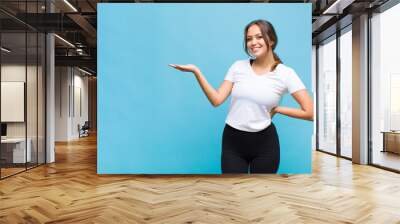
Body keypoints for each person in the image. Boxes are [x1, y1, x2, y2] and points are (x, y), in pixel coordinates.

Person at [169, 19, 313, 174]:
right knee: (235, 194)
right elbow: (216, 100)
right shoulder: (238, 66)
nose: (253, 42)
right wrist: (196, 71)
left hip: (265, 144)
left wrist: (278, 109)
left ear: (271, 40)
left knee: (260, 193)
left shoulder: (285, 73)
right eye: (249, 39)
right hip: (233, 141)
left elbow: (310, 113)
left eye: (259, 37)